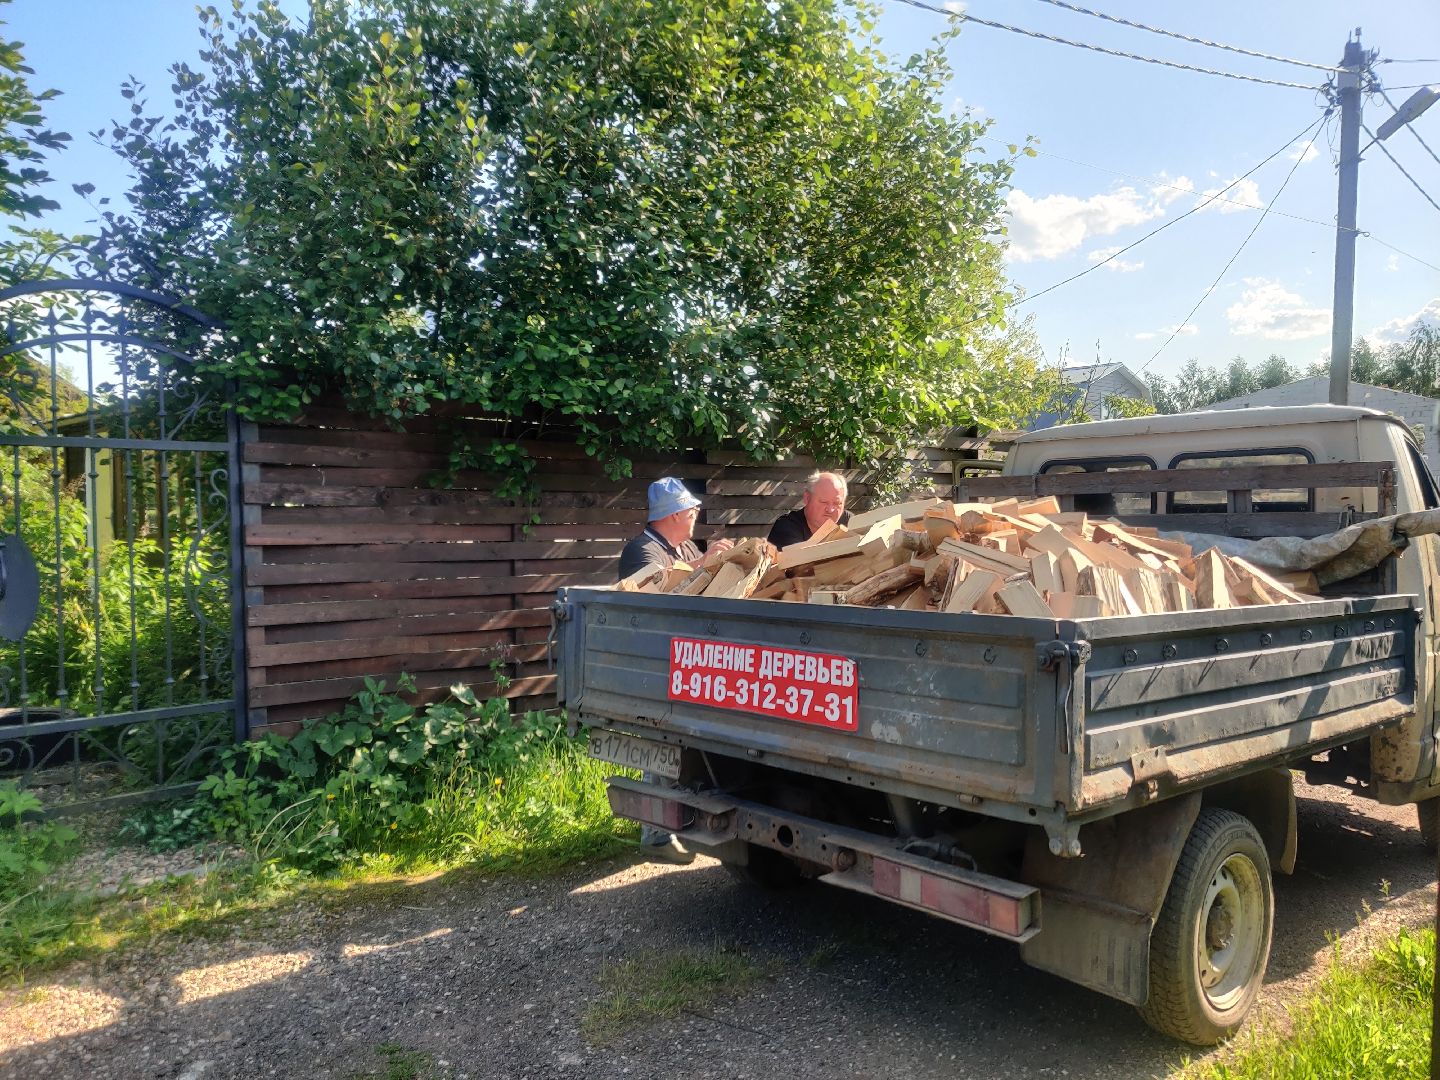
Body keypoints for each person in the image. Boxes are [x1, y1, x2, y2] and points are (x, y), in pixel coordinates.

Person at [616, 476, 732, 864]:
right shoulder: (643, 551)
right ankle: (656, 836)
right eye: (693, 510)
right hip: (653, 662)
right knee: (660, 747)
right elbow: (661, 592)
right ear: (678, 513)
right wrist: (704, 562)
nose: (697, 515)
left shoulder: (679, 546)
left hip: (681, 661)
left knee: (676, 747)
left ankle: (673, 824)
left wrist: (716, 562)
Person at [767, 470, 851, 549]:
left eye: (837, 503)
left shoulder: (850, 522)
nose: (830, 510)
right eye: (824, 502)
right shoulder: (786, 528)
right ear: (807, 498)